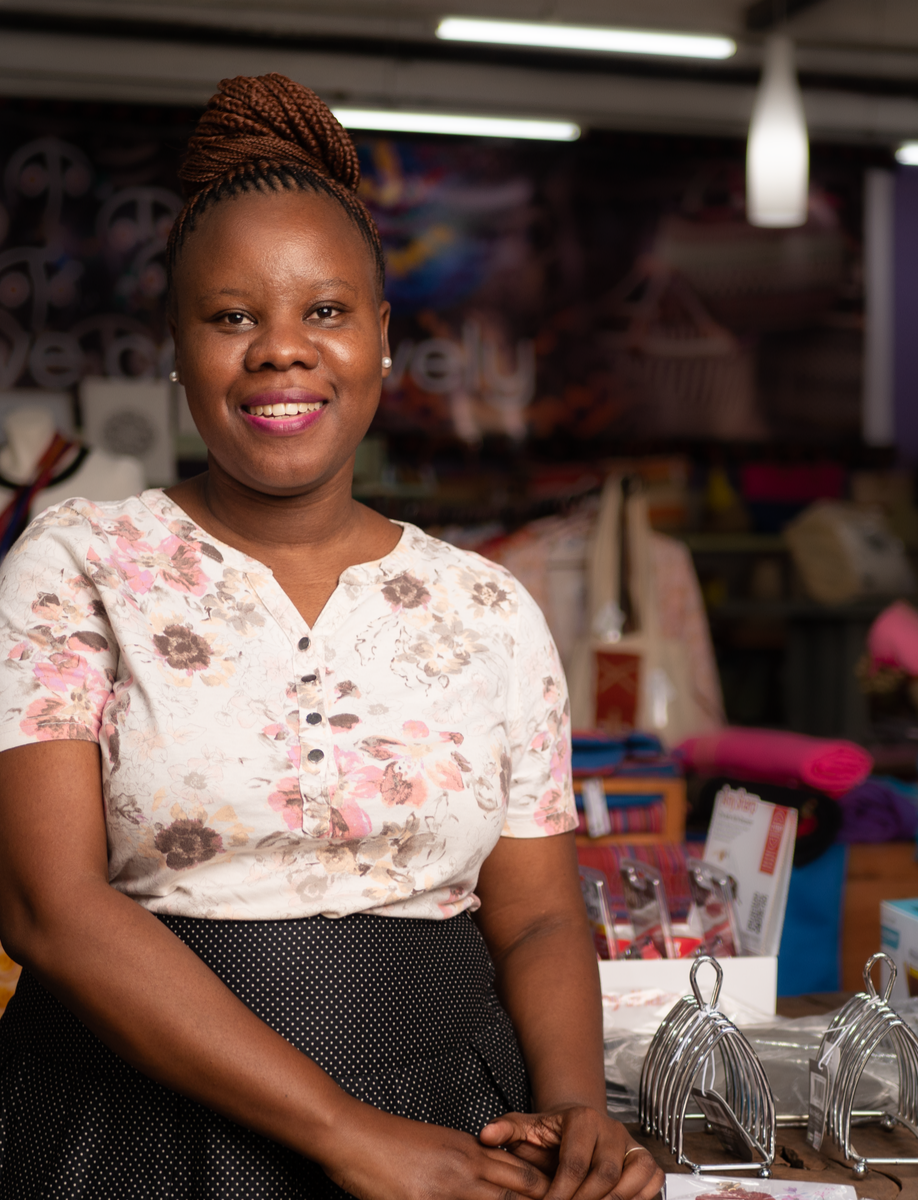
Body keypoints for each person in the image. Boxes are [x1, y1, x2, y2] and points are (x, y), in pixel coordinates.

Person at [0, 74, 664, 1200]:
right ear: (180, 345)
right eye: (231, 316)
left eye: (324, 310)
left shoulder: (486, 608)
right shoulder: (77, 567)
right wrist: (343, 1132)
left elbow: (542, 912)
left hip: (452, 1118)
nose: (280, 351)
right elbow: (45, 907)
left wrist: (577, 1109)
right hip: (135, 1131)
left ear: (381, 337)